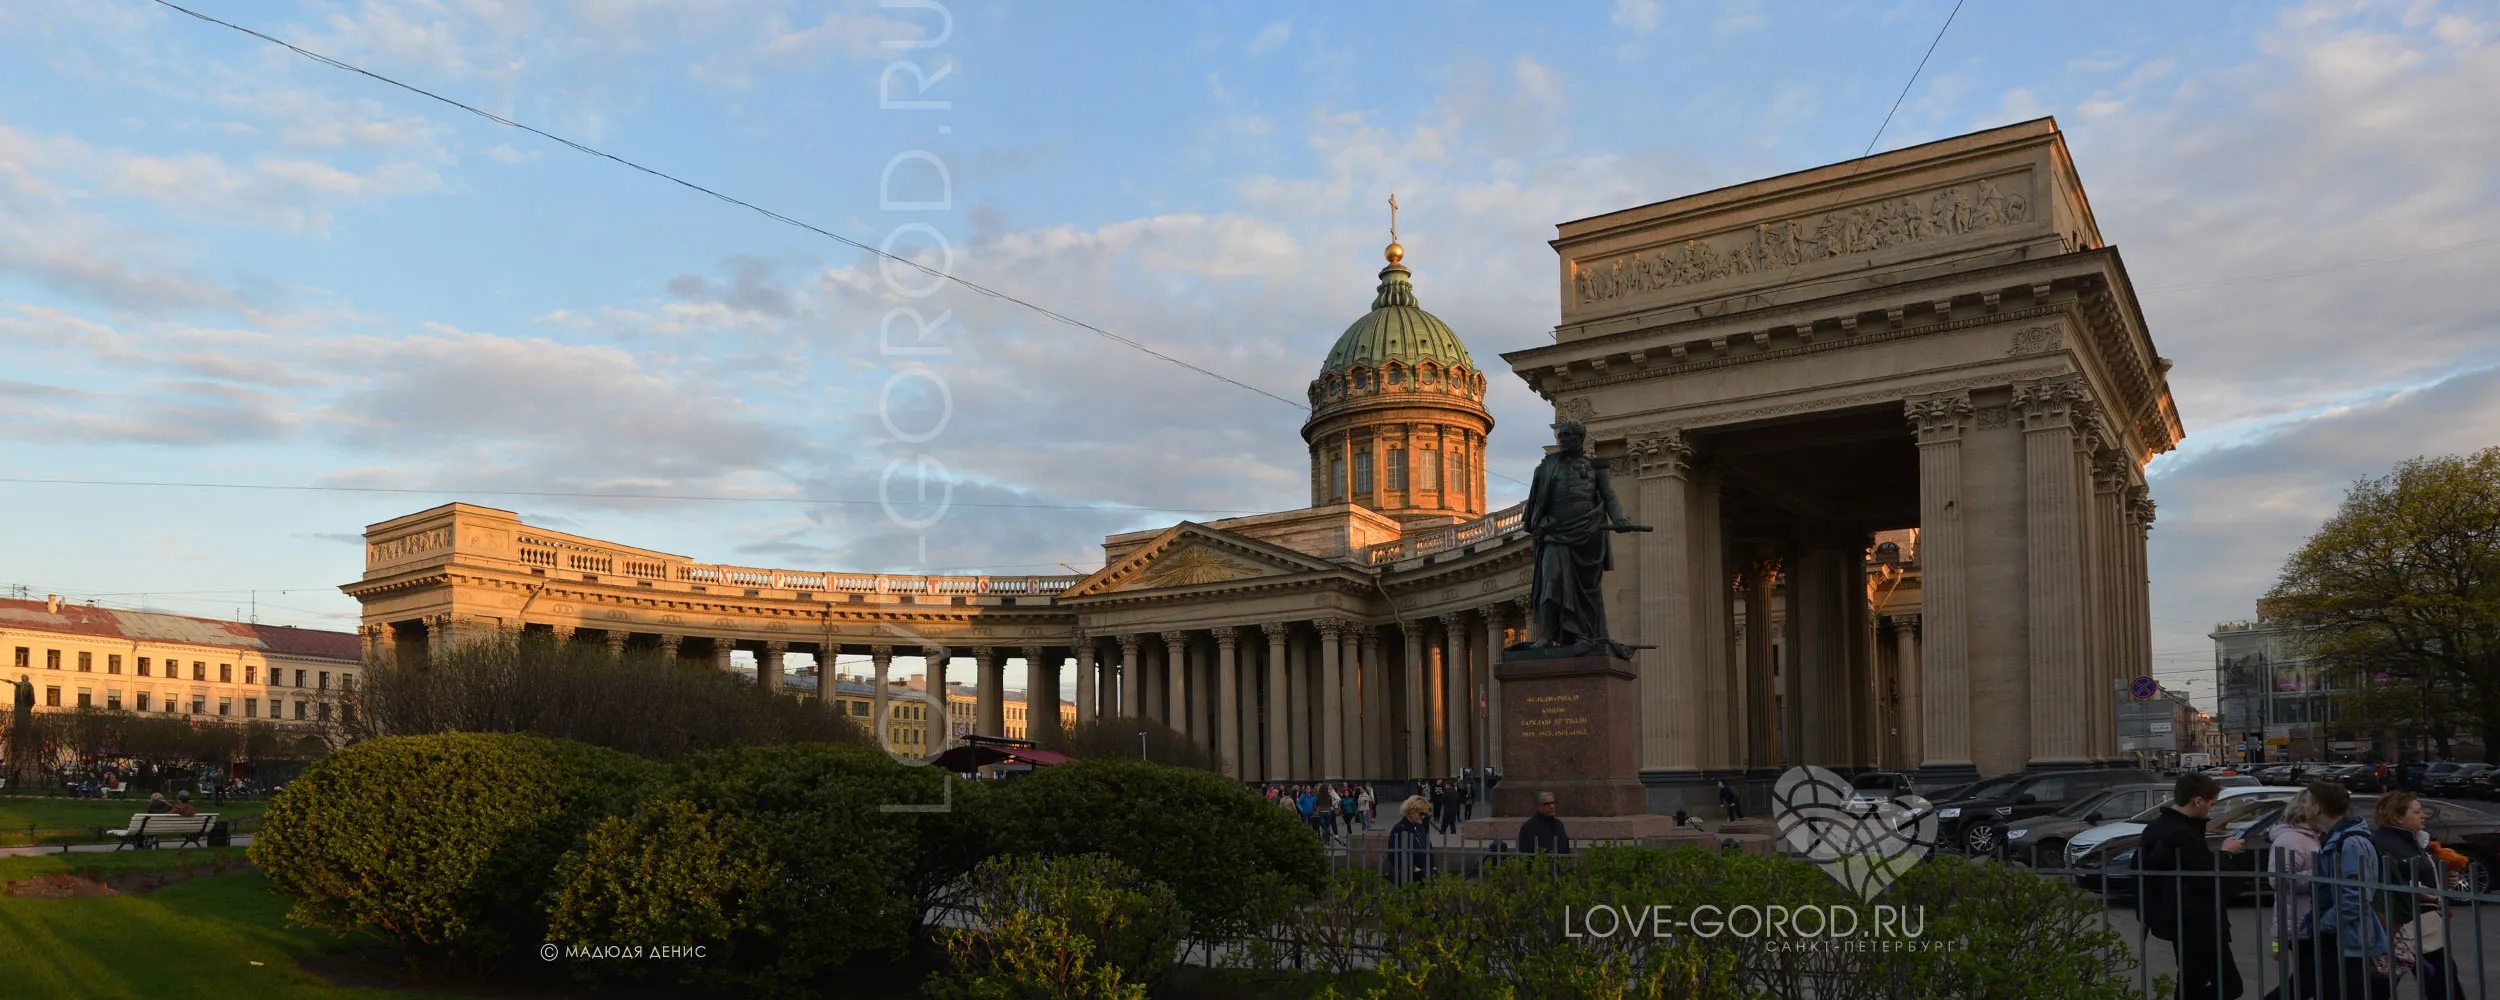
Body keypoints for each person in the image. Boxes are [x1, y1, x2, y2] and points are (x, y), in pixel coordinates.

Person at [2138, 772, 2245, 1000]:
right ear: (2197, 801)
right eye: (2210, 804)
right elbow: (2207, 876)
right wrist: (2226, 853)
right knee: (2229, 986)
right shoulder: (2183, 835)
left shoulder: (2157, 828)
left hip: (2178, 919)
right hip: (2199, 921)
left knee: (2191, 981)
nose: (2210, 810)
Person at [2371, 792, 2454, 998]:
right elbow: (2388, 881)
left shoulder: (2416, 839)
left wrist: (2444, 880)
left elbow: (2420, 875)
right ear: (2397, 817)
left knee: (2442, 981)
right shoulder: (2385, 842)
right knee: (2381, 985)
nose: (2423, 815)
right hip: (2404, 926)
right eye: (2416, 812)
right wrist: (2418, 891)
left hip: (2426, 926)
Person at [2267, 782, 2342, 1000]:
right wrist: (2322, 876)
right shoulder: (2290, 839)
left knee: (2314, 981)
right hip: (2300, 924)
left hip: (2313, 922)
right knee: (2307, 982)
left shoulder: (2314, 837)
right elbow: (2278, 880)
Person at [1387, 795, 1436, 884]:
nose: (1423, 816)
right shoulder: (1400, 828)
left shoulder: (1420, 827)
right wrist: (1413, 868)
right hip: (1410, 876)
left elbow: (1428, 847)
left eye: (1424, 814)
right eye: (1421, 813)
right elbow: (1392, 853)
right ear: (1410, 811)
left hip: (1424, 874)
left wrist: (1433, 865)